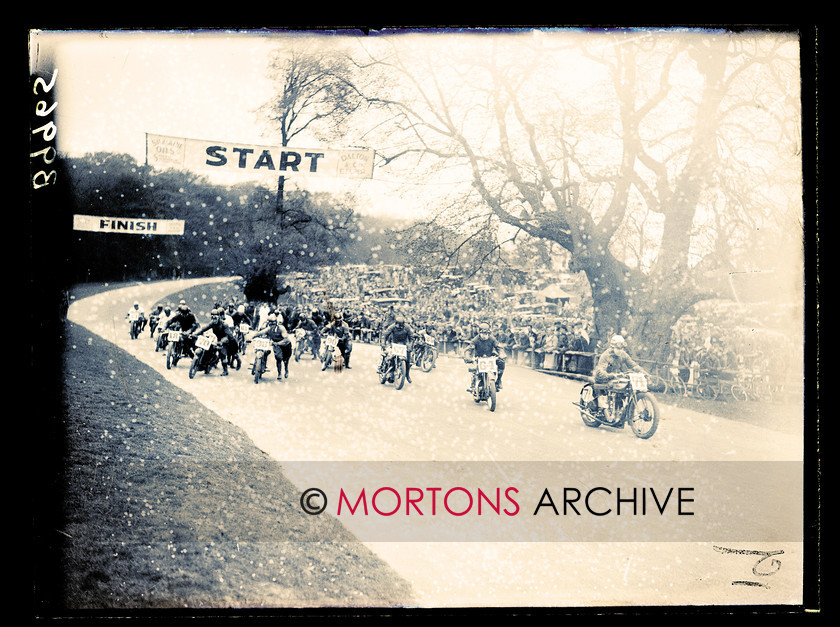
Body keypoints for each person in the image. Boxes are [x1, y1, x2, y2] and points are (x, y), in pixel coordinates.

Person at [591, 334, 647, 409]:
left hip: (615, 378)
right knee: (603, 402)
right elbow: (601, 370)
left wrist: (642, 371)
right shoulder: (606, 355)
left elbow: (632, 365)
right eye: (618, 348)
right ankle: (604, 408)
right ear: (612, 347)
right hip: (602, 379)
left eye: (622, 349)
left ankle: (618, 410)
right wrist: (610, 375)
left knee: (623, 390)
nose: (620, 351)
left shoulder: (623, 354)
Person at [192, 308, 238, 376]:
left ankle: (225, 371)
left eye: (215, 318)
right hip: (217, 338)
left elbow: (228, 336)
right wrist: (195, 333)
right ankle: (205, 364)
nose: (214, 320)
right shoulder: (212, 323)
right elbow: (204, 328)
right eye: (212, 318)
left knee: (222, 354)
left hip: (225, 340)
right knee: (208, 348)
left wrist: (222, 342)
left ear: (219, 317)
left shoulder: (224, 324)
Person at [466, 322, 506, 392]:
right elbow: (469, 349)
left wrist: (501, 354)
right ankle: (473, 384)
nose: (484, 335)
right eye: (483, 333)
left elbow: (499, 347)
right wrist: (468, 357)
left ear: (489, 333)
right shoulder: (475, 340)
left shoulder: (492, 339)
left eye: (486, 333)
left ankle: (498, 380)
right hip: (478, 358)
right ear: (479, 333)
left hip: (490, 357)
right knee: (475, 369)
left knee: (501, 362)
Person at [251, 313, 293, 380]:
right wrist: (252, 336)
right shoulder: (268, 328)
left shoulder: (281, 328)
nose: (271, 326)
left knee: (285, 360)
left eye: (273, 324)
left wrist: (278, 343)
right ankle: (279, 373)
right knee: (278, 359)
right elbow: (260, 332)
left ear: (276, 323)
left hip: (285, 345)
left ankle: (286, 369)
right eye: (270, 324)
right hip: (277, 345)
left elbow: (286, 339)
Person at [381, 315, 414, 383]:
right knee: (390, 357)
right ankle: (389, 371)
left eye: (401, 326)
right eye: (398, 326)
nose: (400, 327)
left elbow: (412, 338)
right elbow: (384, 335)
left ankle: (407, 375)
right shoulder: (392, 327)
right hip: (394, 344)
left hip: (403, 345)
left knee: (408, 359)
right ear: (395, 324)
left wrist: (410, 346)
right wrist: (383, 344)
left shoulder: (407, 327)